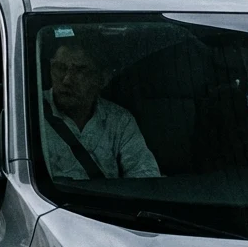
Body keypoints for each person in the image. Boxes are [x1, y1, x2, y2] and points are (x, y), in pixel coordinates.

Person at [41, 37, 161, 180]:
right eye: (60, 68)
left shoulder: (119, 121)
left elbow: (145, 178)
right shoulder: (29, 113)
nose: (67, 80)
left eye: (80, 71)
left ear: (102, 78)